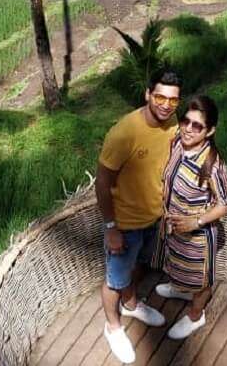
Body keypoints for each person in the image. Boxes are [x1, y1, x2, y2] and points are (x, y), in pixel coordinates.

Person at [95, 70, 182, 364]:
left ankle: (131, 305)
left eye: (173, 100)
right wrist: (111, 227)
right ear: (147, 94)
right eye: (160, 97)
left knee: (137, 268)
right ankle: (113, 326)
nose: (166, 105)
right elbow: (103, 182)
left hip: (153, 219)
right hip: (125, 224)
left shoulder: (173, 126)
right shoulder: (124, 133)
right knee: (114, 280)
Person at [153, 94, 227, 340]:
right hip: (174, 229)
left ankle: (196, 316)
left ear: (209, 131)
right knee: (176, 265)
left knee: (201, 280)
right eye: (185, 121)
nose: (188, 129)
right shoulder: (177, 142)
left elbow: (225, 203)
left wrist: (195, 221)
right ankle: (180, 288)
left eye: (197, 126)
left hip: (197, 236)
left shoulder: (213, 165)